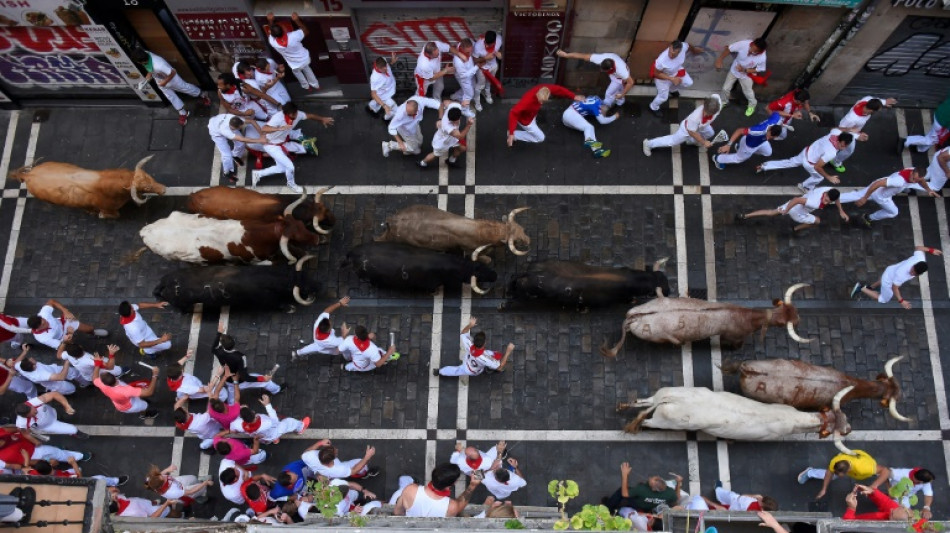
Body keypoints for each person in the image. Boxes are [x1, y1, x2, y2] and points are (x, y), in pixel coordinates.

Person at [250, 101, 333, 193]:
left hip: (282, 143)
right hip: (271, 146)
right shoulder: (278, 118)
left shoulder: (297, 114)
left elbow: (309, 116)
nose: (297, 115)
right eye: (294, 113)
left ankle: (258, 174)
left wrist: (322, 119)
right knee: (290, 167)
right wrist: (278, 128)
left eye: (296, 112)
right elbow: (264, 129)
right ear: (288, 113)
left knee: (281, 168)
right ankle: (291, 184)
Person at [131, 49, 209, 126]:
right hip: (160, 80)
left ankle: (202, 94)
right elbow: (150, 69)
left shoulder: (159, 65)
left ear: (142, 61)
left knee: (186, 88)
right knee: (171, 96)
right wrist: (147, 79)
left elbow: (173, 72)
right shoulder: (145, 54)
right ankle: (183, 113)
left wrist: (164, 82)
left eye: (139, 62)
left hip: (172, 80)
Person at [757, 130, 854, 192]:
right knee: (819, 178)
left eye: (846, 146)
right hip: (810, 163)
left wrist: (855, 132)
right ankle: (804, 186)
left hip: (806, 152)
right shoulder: (831, 153)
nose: (844, 148)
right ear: (838, 141)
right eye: (842, 145)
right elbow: (817, 167)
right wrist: (829, 177)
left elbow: (840, 129)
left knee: (789, 162)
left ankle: (764, 166)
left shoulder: (835, 133)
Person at [838, 167, 937, 226]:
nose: (914, 181)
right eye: (913, 178)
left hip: (881, 188)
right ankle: (868, 218)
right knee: (893, 212)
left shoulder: (913, 170)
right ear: (912, 173)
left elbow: (921, 180)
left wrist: (928, 190)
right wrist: (865, 198)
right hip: (881, 196)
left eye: (916, 180)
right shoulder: (899, 181)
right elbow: (878, 184)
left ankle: (833, 197)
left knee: (856, 195)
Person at [850, 246, 942, 309]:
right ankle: (861, 288)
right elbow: (895, 288)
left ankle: (871, 287)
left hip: (890, 270)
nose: (911, 272)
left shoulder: (919, 258)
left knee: (883, 279)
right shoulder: (901, 274)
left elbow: (918, 248)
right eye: (912, 270)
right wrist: (901, 301)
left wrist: (931, 250)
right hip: (890, 278)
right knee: (883, 299)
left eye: (913, 272)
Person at [736, 187, 847, 233]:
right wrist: (787, 210)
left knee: (771, 213)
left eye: (828, 201)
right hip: (797, 212)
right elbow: (797, 199)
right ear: (826, 194)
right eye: (826, 199)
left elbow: (836, 199)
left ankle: (745, 216)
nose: (826, 202)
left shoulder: (827, 189)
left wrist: (841, 211)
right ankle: (796, 228)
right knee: (817, 221)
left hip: (792, 205)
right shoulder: (814, 202)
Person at [831, 95, 897, 172]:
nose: (880, 110)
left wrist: (884, 102)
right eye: (878, 110)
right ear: (871, 111)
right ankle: (835, 162)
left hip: (854, 130)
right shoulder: (851, 119)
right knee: (849, 150)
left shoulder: (867, 100)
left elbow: (873, 99)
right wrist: (857, 136)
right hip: (848, 133)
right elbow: (841, 130)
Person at [212, 325, 282, 395]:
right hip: (240, 382)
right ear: (234, 342)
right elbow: (245, 377)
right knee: (267, 382)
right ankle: (276, 390)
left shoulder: (219, 351)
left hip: (228, 380)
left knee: (232, 398)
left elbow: (213, 348)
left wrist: (219, 333)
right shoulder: (240, 357)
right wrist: (263, 379)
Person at [643, 95, 722, 157]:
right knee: (672, 141)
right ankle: (648, 144)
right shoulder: (695, 117)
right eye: (705, 111)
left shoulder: (717, 100)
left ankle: (692, 141)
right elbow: (691, 132)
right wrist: (703, 142)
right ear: (704, 105)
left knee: (710, 133)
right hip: (687, 129)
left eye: (708, 113)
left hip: (702, 126)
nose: (705, 114)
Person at [434, 317, 514, 377]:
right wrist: (508, 351)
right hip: (474, 370)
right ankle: (491, 369)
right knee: (495, 360)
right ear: (484, 343)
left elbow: (463, 332)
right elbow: (500, 366)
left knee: (455, 370)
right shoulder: (485, 358)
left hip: (467, 362)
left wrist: (470, 325)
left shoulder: (469, 345)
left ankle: (439, 371)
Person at [393, 463, 480, 517]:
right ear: (452, 483)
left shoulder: (410, 490)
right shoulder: (451, 507)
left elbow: (397, 512)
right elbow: (460, 504)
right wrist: (473, 485)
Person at [556, 49, 633, 109]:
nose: (602, 71)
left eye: (604, 70)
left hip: (619, 79)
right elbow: (582, 56)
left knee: (609, 93)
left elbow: (631, 82)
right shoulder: (599, 58)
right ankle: (620, 101)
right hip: (615, 74)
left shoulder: (622, 72)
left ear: (611, 68)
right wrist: (566, 55)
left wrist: (623, 94)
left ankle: (605, 107)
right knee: (619, 91)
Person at [508, 84, 582, 146]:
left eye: (543, 101)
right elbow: (513, 113)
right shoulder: (527, 101)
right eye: (540, 100)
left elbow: (559, 90)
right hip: (525, 121)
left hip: (531, 115)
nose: (541, 103)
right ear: (537, 94)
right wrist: (511, 133)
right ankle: (515, 135)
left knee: (534, 124)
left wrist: (573, 96)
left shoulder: (544, 88)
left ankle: (513, 133)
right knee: (540, 138)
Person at [92, 353, 159, 419]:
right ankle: (144, 415)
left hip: (120, 403)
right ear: (115, 377)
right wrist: (155, 375)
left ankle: (141, 402)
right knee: (144, 405)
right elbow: (149, 392)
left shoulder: (101, 385)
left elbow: (94, 378)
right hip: (130, 405)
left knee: (139, 396)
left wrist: (97, 364)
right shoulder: (126, 390)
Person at [797, 448, 883, 499]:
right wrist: (824, 489)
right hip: (854, 461)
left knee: (882, 475)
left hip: (867, 466)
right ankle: (809, 472)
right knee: (832, 476)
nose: (837, 475)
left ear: (848, 471)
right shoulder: (836, 461)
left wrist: (873, 486)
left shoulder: (864, 469)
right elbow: (829, 473)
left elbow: (884, 470)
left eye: (840, 474)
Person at [266, 12, 319, 91]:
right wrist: (297, 20)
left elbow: (271, 31)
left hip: (293, 64)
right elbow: (306, 31)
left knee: (298, 74)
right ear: (283, 30)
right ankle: (316, 86)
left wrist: (270, 21)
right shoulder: (294, 36)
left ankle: (307, 87)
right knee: (308, 70)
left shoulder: (273, 42)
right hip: (304, 59)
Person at [27, 298, 108, 350]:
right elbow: (61, 346)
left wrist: (65, 311)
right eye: (44, 325)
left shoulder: (43, 314)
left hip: (63, 323)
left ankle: (93, 333)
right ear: (38, 328)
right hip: (62, 338)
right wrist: (69, 334)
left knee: (89, 328)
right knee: (75, 347)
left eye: (44, 320)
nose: (46, 322)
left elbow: (51, 301)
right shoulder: (43, 338)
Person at [649, 40, 703, 117]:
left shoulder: (683, 46)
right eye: (670, 52)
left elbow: (688, 45)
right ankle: (653, 107)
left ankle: (672, 90)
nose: (671, 55)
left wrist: (694, 50)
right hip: (663, 77)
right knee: (663, 97)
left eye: (674, 54)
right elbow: (656, 73)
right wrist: (671, 79)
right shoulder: (661, 61)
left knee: (688, 83)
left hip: (676, 71)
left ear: (680, 51)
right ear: (670, 47)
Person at [715, 37, 768, 117]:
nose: (751, 51)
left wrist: (745, 70)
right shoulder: (744, 44)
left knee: (748, 91)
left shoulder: (762, 57)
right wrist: (720, 59)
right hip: (735, 70)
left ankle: (752, 105)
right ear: (752, 43)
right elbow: (729, 49)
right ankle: (724, 101)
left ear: (759, 51)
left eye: (754, 51)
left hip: (747, 74)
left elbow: (760, 69)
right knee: (725, 88)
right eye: (751, 48)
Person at [208, 113, 265, 185]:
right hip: (216, 132)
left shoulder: (235, 118)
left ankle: (236, 156)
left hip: (219, 121)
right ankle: (227, 172)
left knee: (241, 145)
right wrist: (259, 140)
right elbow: (242, 139)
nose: (240, 128)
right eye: (239, 128)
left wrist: (261, 134)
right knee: (227, 155)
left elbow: (252, 121)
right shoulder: (226, 131)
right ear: (233, 127)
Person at [712, 112, 783, 169]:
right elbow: (739, 131)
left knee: (768, 152)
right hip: (748, 145)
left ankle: (740, 147)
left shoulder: (776, 119)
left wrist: (788, 117)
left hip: (760, 142)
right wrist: (728, 145)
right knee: (738, 159)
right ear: (770, 129)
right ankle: (718, 158)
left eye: (771, 137)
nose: (768, 137)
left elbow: (776, 112)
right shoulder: (756, 130)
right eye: (768, 135)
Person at [229, 394, 309, 444]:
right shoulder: (266, 423)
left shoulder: (238, 425)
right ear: (253, 412)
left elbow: (233, 429)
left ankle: (274, 440)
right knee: (289, 422)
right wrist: (267, 405)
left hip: (264, 437)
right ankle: (301, 428)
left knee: (266, 438)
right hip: (273, 431)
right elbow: (275, 421)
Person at [604, 462, 681, 514]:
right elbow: (677, 497)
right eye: (655, 478)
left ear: (653, 489)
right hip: (649, 508)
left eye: (652, 481)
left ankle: (607, 509)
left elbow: (625, 494)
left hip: (638, 505)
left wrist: (625, 475)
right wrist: (678, 483)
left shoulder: (642, 489)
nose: (650, 478)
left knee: (621, 491)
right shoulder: (670, 493)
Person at [292, 297, 349, 362]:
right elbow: (342, 341)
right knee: (337, 351)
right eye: (330, 324)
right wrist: (344, 333)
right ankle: (348, 358)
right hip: (324, 347)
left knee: (311, 348)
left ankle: (298, 353)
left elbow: (327, 311)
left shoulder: (319, 322)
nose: (330, 321)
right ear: (328, 330)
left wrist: (340, 303)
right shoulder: (330, 340)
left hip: (318, 342)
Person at [418, 103, 473, 169]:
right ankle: (423, 163)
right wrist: (468, 125)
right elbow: (460, 136)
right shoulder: (448, 127)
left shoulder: (454, 106)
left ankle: (451, 160)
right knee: (435, 154)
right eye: (454, 121)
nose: (455, 123)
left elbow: (443, 103)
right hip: (442, 142)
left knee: (463, 148)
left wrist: (440, 118)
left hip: (453, 139)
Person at [15, 391, 87, 439]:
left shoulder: (33, 403)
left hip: (53, 412)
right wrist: (36, 440)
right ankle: (75, 433)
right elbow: (25, 433)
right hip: (50, 425)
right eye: (33, 412)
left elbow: (54, 394)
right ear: (26, 416)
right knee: (73, 429)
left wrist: (67, 406)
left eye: (33, 408)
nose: (35, 410)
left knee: (62, 417)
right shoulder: (22, 423)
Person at [870, 466, 935, 517]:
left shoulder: (925, 481)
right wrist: (889, 489)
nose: (929, 483)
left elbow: (928, 494)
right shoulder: (901, 474)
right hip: (895, 493)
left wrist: (926, 508)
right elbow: (885, 472)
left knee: (905, 516)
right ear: (921, 482)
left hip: (906, 498)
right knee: (891, 513)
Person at [301, 439, 379, 480]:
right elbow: (354, 470)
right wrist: (366, 457)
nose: (337, 449)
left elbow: (305, 453)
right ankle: (365, 474)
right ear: (332, 460)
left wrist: (320, 443)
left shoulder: (309, 456)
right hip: (334, 473)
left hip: (325, 474)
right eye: (336, 453)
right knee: (361, 466)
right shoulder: (338, 469)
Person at [58, 342, 124, 388]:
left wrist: (63, 342)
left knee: (90, 379)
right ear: (81, 347)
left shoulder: (67, 354)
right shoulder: (90, 359)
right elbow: (110, 367)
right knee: (116, 369)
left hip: (87, 375)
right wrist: (111, 354)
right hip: (98, 373)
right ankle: (120, 373)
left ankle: (88, 384)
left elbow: (59, 355)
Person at [144, 464, 213, 505]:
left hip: (177, 482)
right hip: (182, 491)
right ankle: (198, 496)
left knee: (193, 478)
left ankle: (200, 483)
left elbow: (160, 474)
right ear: (161, 484)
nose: (163, 475)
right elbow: (191, 491)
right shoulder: (173, 492)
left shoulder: (151, 480)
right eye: (162, 477)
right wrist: (205, 483)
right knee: (200, 489)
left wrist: (168, 469)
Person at [843, 484, 911, 521]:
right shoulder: (896, 511)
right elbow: (886, 502)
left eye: (892, 514)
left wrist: (851, 508)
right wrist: (872, 492)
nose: (891, 509)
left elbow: (847, 527)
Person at [473, 31, 503, 111]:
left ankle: (488, 95)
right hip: (482, 68)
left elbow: (502, 50)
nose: (486, 45)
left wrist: (500, 55)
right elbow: (475, 60)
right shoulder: (478, 45)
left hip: (493, 65)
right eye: (486, 43)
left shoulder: (499, 39)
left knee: (489, 82)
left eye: (489, 45)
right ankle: (477, 102)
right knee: (480, 85)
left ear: (495, 42)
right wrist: (485, 58)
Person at [109, 487, 183, 518]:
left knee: (155, 504)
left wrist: (113, 492)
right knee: (172, 512)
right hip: (157, 511)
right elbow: (151, 518)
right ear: (114, 502)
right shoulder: (130, 514)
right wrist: (166, 504)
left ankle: (157, 503)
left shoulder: (117, 498)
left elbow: (115, 489)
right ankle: (182, 515)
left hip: (147, 504)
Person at [451, 38, 479, 118]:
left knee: (472, 87)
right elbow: (464, 76)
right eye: (467, 52)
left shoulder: (466, 43)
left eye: (471, 51)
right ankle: (464, 110)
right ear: (462, 49)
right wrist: (476, 67)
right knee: (469, 94)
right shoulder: (458, 61)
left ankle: (455, 96)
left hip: (470, 72)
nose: (470, 54)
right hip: (463, 77)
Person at [368, 54, 397, 120]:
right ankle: (387, 119)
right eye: (383, 68)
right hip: (384, 95)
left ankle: (371, 108)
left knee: (375, 103)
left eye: (385, 66)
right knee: (393, 107)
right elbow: (373, 94)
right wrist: (384, 106)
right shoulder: (375, 78)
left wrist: (392, 62)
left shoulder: (383, 61)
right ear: (378, 68)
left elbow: (387, 65)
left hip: (389, 90)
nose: (386, 68)